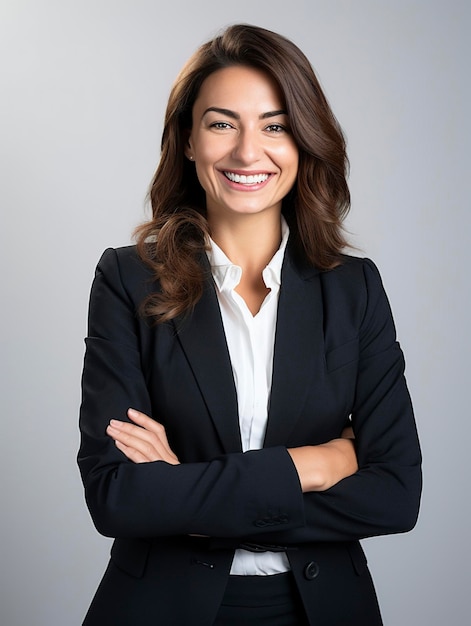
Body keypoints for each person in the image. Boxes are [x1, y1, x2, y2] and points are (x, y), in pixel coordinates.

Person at [78, 23, 422, 626]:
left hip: (322, 609)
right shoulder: (127, 280)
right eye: (220, 123)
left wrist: (185, 486)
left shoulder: (354, 288)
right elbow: (118, 498)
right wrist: (312, 466)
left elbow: (394, 495)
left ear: (303, 140)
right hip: (160, 609)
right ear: (188, 140)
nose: (246, 152)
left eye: (275, 125)